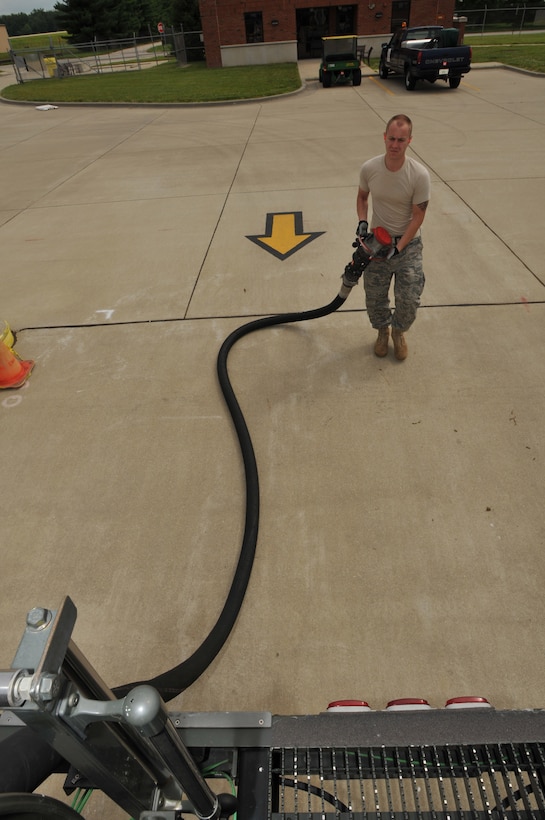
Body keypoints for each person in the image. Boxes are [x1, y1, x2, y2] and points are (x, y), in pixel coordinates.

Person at [356, 114, 430, 361]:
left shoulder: (419, 175)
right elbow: (362, 197)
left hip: (408, 245)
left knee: (409, 298)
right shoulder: (370, 168)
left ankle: (398, 332)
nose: (395, 145)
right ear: (384, 137)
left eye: (401, 140)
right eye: (391, 139)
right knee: (374, 297)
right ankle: (382, 332)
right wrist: (363, 222)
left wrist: (399, 248)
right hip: (378, 244)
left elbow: (418, 216)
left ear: (410, 140)